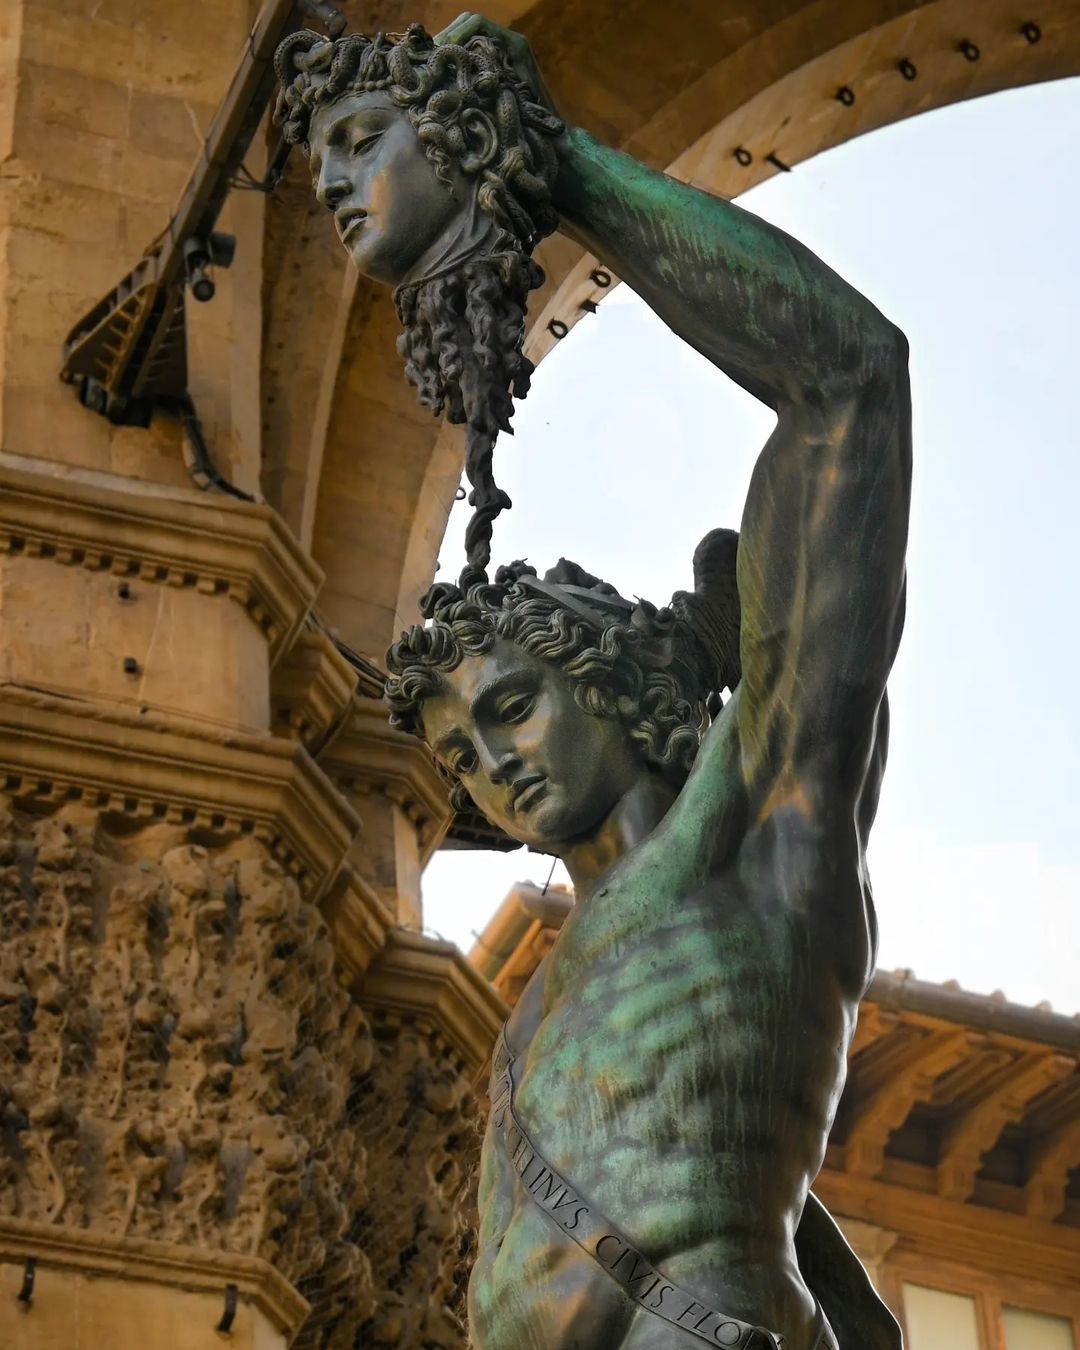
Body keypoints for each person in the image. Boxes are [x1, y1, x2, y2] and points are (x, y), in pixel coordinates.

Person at [278, 14, 911, 1348]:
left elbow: (849, 385)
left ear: (619, 692)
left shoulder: (760, 834)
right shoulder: (535, 1013)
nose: (488, 760)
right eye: (457, 745)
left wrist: (549, 165)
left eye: (510, 704)